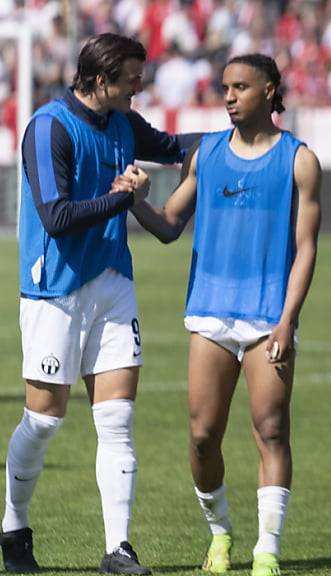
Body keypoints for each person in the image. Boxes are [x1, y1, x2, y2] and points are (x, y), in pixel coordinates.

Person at [3, 33, 201, 575]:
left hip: (113, 282)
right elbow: (56, 217)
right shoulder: (49, 127)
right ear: (100, 78)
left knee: (117, 419)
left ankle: (119, 549)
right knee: (44, 421)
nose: (140, 86)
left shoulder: (123, 122)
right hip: (55, 290)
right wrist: (123, 197)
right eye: (132, 78)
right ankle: (13, 526)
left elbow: (176, 146)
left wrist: (246, 138)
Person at [127, 53, 322, 576]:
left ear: (270, 90)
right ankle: (220, 534)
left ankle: (267, 549)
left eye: (241, 87)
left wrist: (287, 319)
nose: (230, 97)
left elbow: (306, 248)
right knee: (201, 437)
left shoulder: (299, 160)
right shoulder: (207, 153)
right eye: (226, 88)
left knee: (271, 430)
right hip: (210, 314)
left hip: (267, 318)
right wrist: (135, 201)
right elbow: (169, 224)